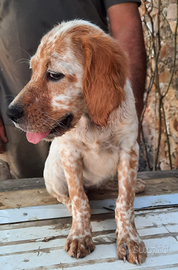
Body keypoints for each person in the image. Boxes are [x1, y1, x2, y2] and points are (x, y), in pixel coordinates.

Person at [0, 0, 146, 180]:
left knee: (105, 197)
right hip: (10, 119)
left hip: (94, 113)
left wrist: (130, 110)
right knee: (25, 198)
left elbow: (125, 22)